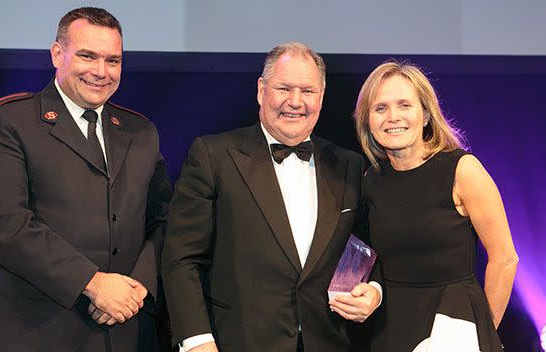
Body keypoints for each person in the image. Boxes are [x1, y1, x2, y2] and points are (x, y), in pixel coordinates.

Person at [0, 7, 172, 352]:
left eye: (113, 60)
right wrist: (92, 284)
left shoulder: (141, 131)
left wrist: (139, 285)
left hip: (125, 330)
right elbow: (5, 224)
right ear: (57, 55)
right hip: (38, 332)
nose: (101, 72)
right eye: (88, 56)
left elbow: (165, 217)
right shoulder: (8, 122)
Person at [161, 41, 381, 352]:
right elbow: (181, 258)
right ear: (261, 90)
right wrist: (197, 339)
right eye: (284, 88)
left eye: (307, 91)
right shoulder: (214, 156)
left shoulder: (348, 164)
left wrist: (373, 289)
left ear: (321, 97)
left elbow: (370, 246)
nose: (295, 101)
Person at [346, 60, 518, 351]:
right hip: (391, 329)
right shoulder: (370, 180)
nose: (393, 117)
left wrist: (482, 333)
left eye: (404, 105)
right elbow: (371, 257)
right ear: (367, 121)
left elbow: (505, 259)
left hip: (453, 325)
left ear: (425, 114)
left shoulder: (463, 170)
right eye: (380, 108)